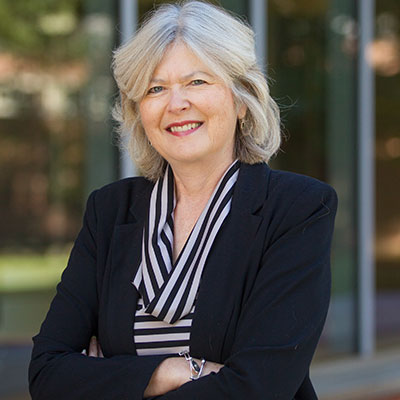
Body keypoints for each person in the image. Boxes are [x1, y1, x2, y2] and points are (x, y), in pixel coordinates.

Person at [28, 1, 337, 399]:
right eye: (156, 89)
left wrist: (109, 379)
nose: (176, 104)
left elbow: (259, 387)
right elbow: (47, 373)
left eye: (197, 82)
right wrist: (176, 371)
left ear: (241, 100)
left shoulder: (297, 209)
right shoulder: (110, 211)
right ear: (139, 111)